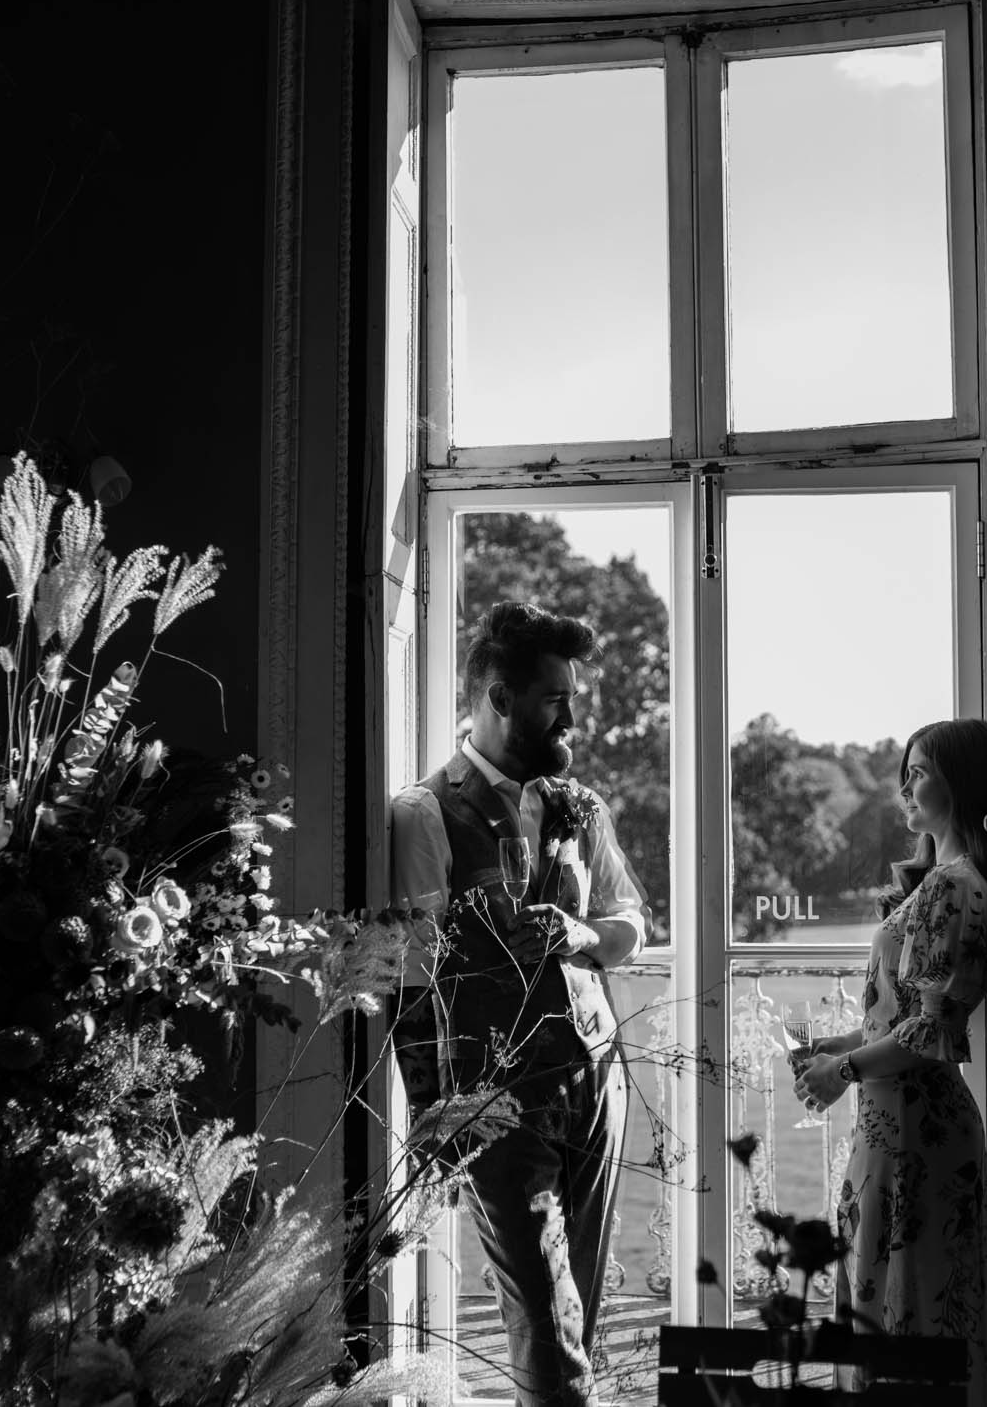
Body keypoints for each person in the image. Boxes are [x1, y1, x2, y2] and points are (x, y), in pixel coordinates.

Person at [390, 600, 649, 1407]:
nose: (572, 715)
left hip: (597, 1077)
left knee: (582, 1309)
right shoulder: (424, 812)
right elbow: (412, 985)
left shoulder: (580, 805)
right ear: (499, 699)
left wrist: (576, 931)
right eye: (555, 699)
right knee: (546, 1317)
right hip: (496, 1100)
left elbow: (629, 927)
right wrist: (437, 1119)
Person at [793, 716, 987, 1386]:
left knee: (907, 1322)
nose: (904, 786)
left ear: (959, 783)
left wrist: (842, 1071)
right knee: (881, 1305)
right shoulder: (938, 882)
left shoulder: (955, 886)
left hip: (917, 1132)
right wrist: (841, 1046)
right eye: (903, 772)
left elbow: (927, 1034)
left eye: (919, 773)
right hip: (894, 1124)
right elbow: (904, 1017)